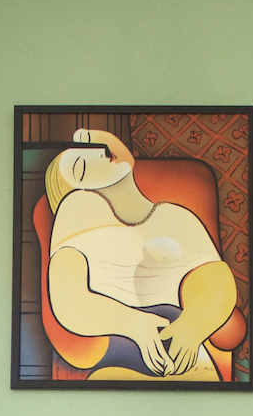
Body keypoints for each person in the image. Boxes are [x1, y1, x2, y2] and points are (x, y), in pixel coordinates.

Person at [45, 128, 238, 381]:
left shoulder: (176, 215)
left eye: (97, 149)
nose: (101, 156)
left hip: (187, 352)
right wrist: (133, 324)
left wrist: (194, 326)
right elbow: (68, 299)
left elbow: (215, 279)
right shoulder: (76, 211)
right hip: (118, 352)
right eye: (82, 167)